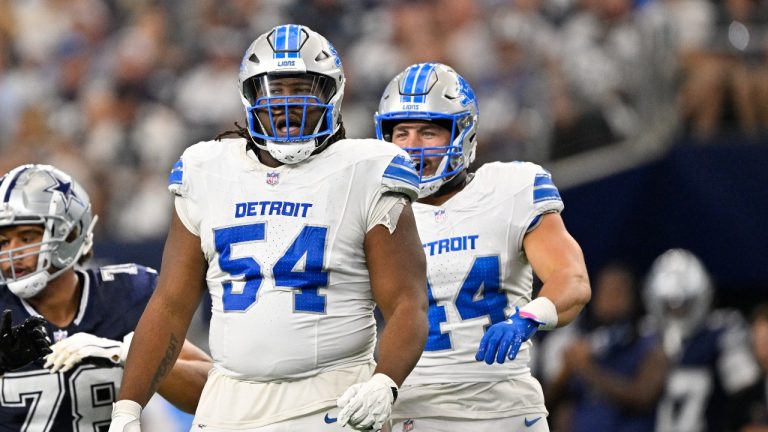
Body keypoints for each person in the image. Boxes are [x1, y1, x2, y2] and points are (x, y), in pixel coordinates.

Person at [109, 24, 428, 432]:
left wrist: (385, 381)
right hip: (229, 401)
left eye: (303, 89)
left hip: (332, 396)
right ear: (250, 97)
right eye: (274, 90)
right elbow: (170, 305)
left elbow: (407, 302)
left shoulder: (367, 170)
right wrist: (127, 409)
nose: (287, 103)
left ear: (332, 95)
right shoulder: (207, 170)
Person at [374, 62, 591, 431]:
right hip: (416, 411)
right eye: (402, 133)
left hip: (504, 407)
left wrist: (528, 318)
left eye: (428, 132)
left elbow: (573, 280)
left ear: (463, 134)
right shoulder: (375, 209)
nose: (412, 147)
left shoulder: (510, 188)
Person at [0, 163, 213, 431]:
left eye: (26, 237)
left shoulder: (124, 295)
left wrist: (125, 355)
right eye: (3, 242)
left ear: (70, 234)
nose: (12, 253)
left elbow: (211, 391)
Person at [643, 248, 761, 432]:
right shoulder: (646, 335)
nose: (677, 312)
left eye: (684, 305)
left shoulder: (721, 334)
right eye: (670, 306)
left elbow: (745, 390)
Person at [543, 263, 667, 432]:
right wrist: (566, 370)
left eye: (618, 292)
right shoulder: (581, 342)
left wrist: (586, 369)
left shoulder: (648, 343)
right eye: (604, 291)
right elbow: (546, 405)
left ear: (634, 297)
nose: (609, 299)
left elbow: (643, 396)